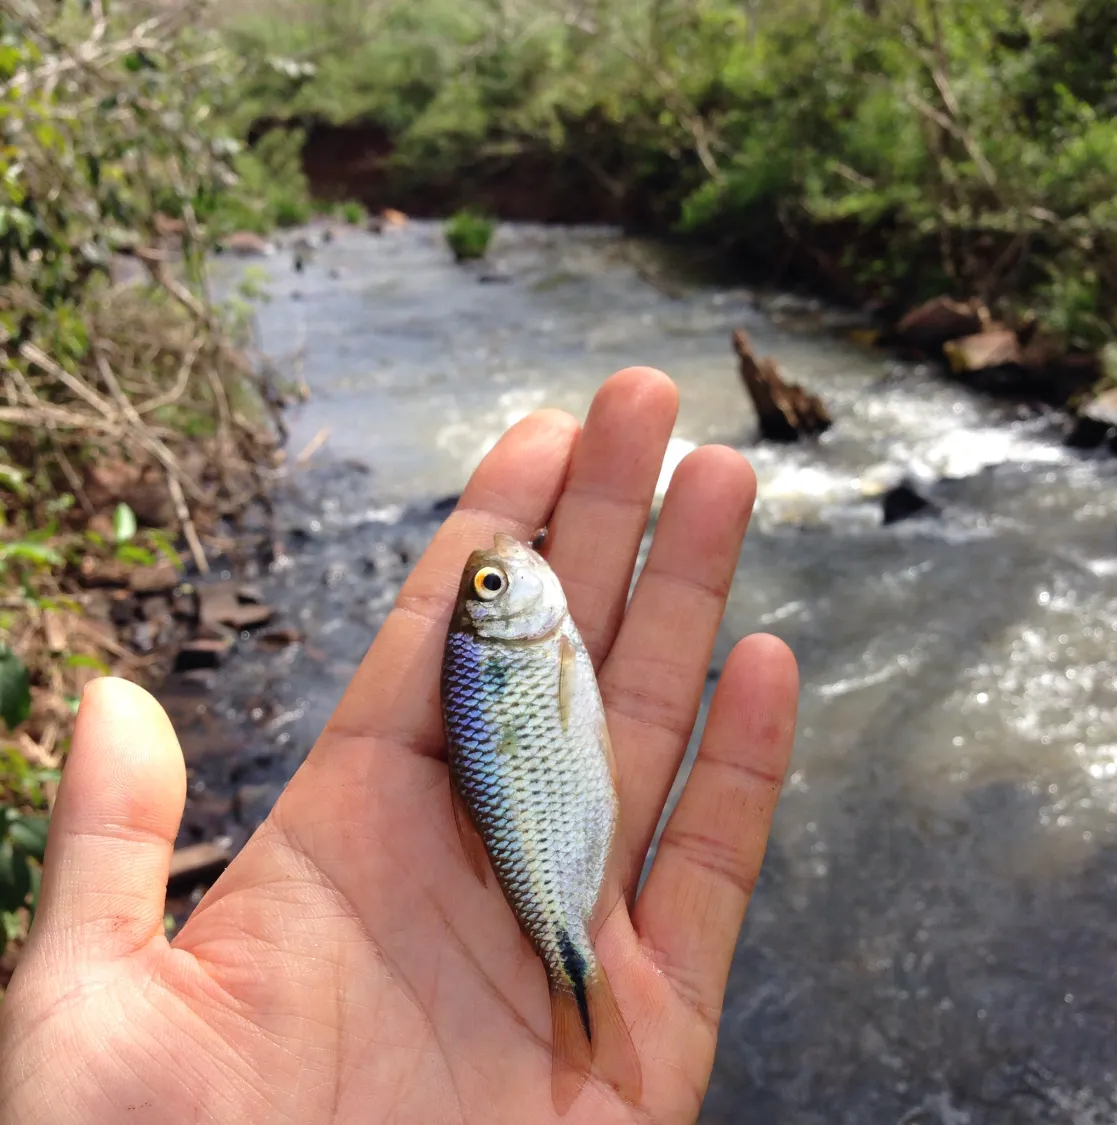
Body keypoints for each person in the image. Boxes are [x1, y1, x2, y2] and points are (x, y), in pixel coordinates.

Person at [0, 368, 798, 1124]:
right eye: (489, 586)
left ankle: (574, 987)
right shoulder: (524, 650)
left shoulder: (523, 648)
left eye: (485, 585)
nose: (497, 573)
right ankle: (574, 982)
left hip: (551, 842)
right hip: (553, 850)